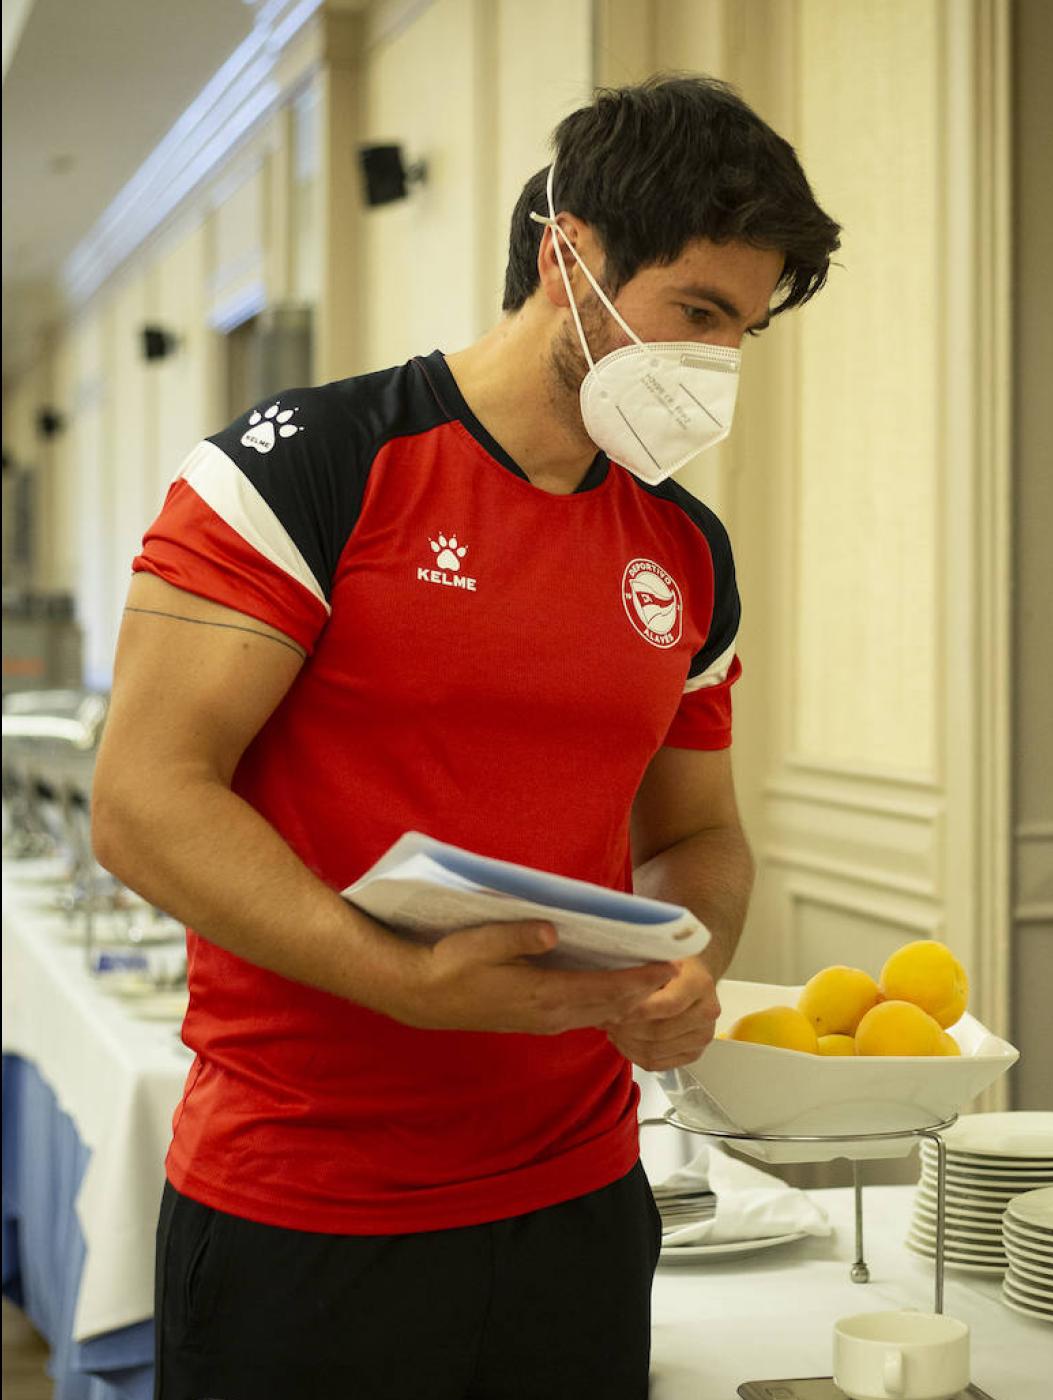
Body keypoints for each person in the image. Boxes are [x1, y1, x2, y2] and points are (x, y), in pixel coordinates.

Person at [92, 73, 841, 1400]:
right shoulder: (306, 465)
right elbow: (144, 800)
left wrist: (689, 961)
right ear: (569, 257)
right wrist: (393, 975)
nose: (716, 367)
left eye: (745, 332)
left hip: (580, 1206)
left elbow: (697, 836)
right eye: (698, 314)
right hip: (304, 1207)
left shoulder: (685, 547)